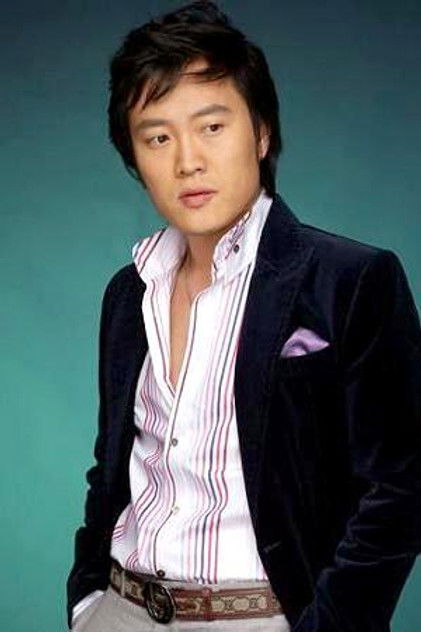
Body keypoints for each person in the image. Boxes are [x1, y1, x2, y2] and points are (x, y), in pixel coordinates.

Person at [66, 1, 421, 631]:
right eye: (158, 137)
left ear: (260, 133)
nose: (187, 161)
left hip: (260, 615)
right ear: (134, 158)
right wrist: (88, 601)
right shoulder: (129, 292)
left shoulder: (350, 279)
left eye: (211, 126)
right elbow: (112, 464)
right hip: (121, 609)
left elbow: (402, 485)